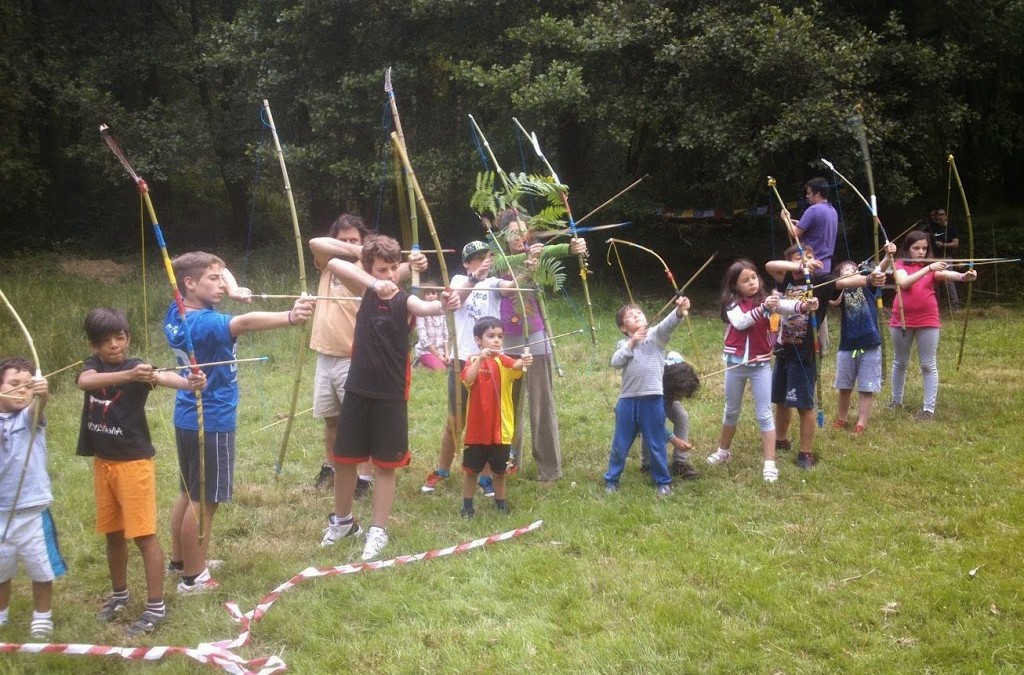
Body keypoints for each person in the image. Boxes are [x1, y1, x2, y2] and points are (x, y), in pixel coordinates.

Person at [164, 251, 314, 593]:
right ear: (189, 283)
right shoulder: (206, 324)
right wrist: (290, 316)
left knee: (188, 493)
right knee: (205, 499)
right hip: (211, 419)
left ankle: (182, 561)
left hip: (187, 415)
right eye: (212, 279)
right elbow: (244, 323)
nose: (220, 282)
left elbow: (220, 271)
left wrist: (230, 287)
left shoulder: (177, 311)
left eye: (220, 277)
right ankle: (193, 578)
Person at [319, 234, 459, 560]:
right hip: (356, 390)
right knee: (344, 460)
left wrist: (447, 303)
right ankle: (342, 522)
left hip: (390, 394)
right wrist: (372, 283)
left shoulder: (404, 299)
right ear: (370, 269)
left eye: (395, 268)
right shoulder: (364, 289)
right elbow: (335, 262)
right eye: (383, 269)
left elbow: (427, 307)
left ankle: (377, 530)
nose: (391, 276)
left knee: (384, 465)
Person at [76, 308, 205, 635]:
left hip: (134, 465)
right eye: (106, 341)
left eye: (120, 338)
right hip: (104, 463)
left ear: (128, 338)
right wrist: (127, 377)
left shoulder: (137, 366)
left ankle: (155, 605)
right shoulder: (94, 367)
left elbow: (165, 378)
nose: (115, 346)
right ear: (94, 345)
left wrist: (190, 383)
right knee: (113, 534)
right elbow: (84, 382)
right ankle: (120, 594)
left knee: (144, 535)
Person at [307, 215, 427, 493]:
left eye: (355, 240)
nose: (349, 244)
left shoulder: (370, 273)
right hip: (325, 353)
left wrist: (416, 264)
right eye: (343, 239)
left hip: (354, 357)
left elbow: (394, 271)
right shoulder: (328, 262)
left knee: (358, 421)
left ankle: (363, 477)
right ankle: (333, 467)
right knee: (331, 418)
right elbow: (315, 243)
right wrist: (355, 249)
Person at [492, 208, 588, 483]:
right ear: (503, 235)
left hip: (534, 335)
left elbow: (552, 250)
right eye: (513, 232)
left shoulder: (536, 251)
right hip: (502, 339)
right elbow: (504, 265)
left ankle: (550, 469)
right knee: (508, 406)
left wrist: (571, 248)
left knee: (541, 404)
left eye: (523, 231)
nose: (519, 236)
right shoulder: (496, 258)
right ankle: (509, 464)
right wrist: (528, 260)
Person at [421, 241, 517, 494]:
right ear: (466, 263)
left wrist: (527, 267)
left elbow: (511, 288)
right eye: (476, 258)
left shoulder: (494, 283)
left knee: (487, 419)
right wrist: (473, 278)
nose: (482, 261)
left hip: (491, 363)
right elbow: (455, 301)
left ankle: (485, 476)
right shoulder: (458, 281)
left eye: (486, 256)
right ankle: (442, 470)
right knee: (455, 418)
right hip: (463, 361)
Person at [766, 244, 871, 469]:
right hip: (784, 349)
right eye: (800, 257)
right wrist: (798, 264)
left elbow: (847, 282)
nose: (807, 261)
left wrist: (871, 279)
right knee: (781, 400)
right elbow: (770, 265)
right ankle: (781, 440)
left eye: (811, 256)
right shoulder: (785, 280)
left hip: (805, 353)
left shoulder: (820, 281)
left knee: (804, 404)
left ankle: (805, 453)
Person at [706, 260, 800, 482]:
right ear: (734, 285)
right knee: (731, 410)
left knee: (764, 413)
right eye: (745, 280)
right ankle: (723, 452)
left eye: (754, 277)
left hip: (760, 365)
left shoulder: (766, 300)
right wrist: (764, 308)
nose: (751, 283)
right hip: (736, 364)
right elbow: (741, 322)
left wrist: (804, 306)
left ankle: (769, 463)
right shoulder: (731, 303)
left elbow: (786, 307)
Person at [0, 357, 65, 640]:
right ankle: (1, 612)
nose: (22, 390)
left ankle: (42, 615)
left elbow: (38, 405)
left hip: (32, 511)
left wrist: (43, 393)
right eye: (14, 384)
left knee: (41, 567)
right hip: (1, 512)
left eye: (27, 386)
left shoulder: (30, 418)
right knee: (1, 568)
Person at [603, 295, 690, 496]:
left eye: (639, 313)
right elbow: (616, 362)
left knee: (657, 442)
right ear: (624, 328)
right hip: (627, 401)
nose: (636, 316)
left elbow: (667, 325)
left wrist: (678, 311)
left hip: (652, 400)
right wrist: (632, 342)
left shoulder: (655, 337)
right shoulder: (623, 344)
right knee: (620, 444)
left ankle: (663, 482)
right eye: (630, 316)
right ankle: (612, 480)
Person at [888, 231, 976, 420]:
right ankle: (896, 401)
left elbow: (945, 273)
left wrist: (963, 277)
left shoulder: (931, 267)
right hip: (901, 318)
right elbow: (904, 283)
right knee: (900, 362)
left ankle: (928, 409)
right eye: (916, 248)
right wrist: (928, 269)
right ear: (907, 249)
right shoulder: (900, 265)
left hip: (928, 319)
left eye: (924, 248)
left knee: (928, 364)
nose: (920, 252)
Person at [459, 316, 531, 517]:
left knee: (500, 472)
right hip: (477, 430)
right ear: (478, 340)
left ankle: (501, 504)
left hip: (501, 430)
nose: (497, 340)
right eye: (491, 336)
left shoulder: (504, 361)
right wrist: (481, 358)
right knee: (471, 471)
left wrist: (524, 360)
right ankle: (467, 505)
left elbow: (516, 365)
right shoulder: (473, 361)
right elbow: (468, 379)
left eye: (500, 336)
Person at [828, 248, 893, 436]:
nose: (850, 271)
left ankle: (861, 422)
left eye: (852, 268)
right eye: (845, 271)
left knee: (867, 387)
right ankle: (842, 418)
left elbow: (877, 272)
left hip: (870, 342)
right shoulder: (839, 290)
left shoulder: (867, 285)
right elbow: (833, 301)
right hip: (847, 344)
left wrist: (888, 257)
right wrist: (842, 283)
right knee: (844, 386)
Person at [640, 353, 701, 479]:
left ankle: (679, 463)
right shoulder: (654, 389)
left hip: (667, 395)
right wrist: (674, 440)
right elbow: (654, 424)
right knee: (647, 428)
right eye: (680, 395)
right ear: (673, 388)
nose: (682, 398)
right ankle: (647, 464)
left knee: (681, 416)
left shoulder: (675, 372)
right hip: (646, 405)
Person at [921, 206, 961, 310]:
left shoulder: (952, 227)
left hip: (946, 257)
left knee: (949, 281)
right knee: (934, 282)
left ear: (946, 216)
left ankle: (955, 306)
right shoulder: (932, 227)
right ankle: (935, 305)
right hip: (933, 258)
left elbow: (956, 244)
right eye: (937, 215)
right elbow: (923, 235)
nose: (939, 217)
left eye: (942, 214)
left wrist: (943, 245)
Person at [414, 282, 450, 371]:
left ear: (437, 295)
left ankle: (434, 363)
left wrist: (447, 354)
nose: (431, 296)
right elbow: (424, 340)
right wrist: (438, 356)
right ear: (423, 296)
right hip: (426, 351)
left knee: (454, 365)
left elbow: (445, 336)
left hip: (441, 350)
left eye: (433, 293)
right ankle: (420, 363)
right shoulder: (420, 314)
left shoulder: (441, 312)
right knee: (441, 369)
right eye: (428, 294)